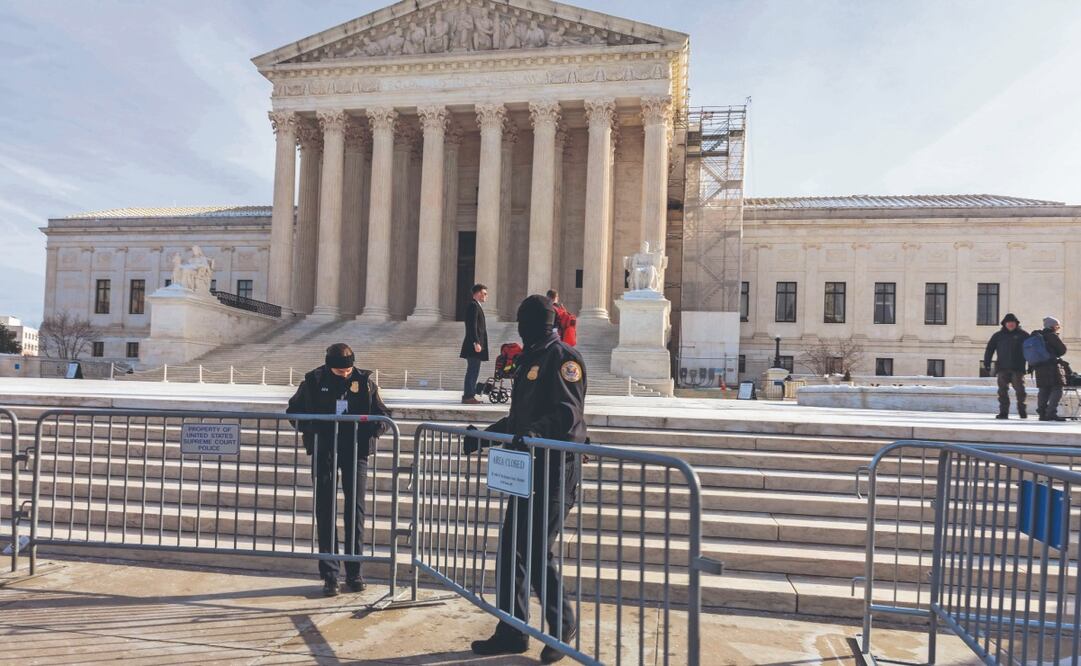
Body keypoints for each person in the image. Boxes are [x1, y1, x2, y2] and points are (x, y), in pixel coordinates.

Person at [465, 295, 586, 663]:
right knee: (511, 552)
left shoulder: (564, 358)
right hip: (525, 470)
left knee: (535, 552)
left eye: (526, 320)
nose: (521, 326)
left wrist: (534, 433)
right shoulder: (530, 358)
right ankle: (511, 629)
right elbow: (519, 419)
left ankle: (562, 624)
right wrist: (484, 436)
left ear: (543, 322)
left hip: (554, 470)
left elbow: (567, 414)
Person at [287, 343, 390, 596]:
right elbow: (293, 412)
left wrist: (371, 430)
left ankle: (354, 573)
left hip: (355, 452)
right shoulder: (313, 380)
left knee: (355, 511)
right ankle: (330, 575)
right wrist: (316, 427)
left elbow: (383, 414)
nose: (344, 373)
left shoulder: (365, 382)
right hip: (325, 451)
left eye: (347, 369)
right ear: (328, 365)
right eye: (339, 370)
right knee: (326, 510)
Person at [983, 313, 1029, 419]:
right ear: (1004, 324)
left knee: (1020, 391)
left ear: (1016, 324)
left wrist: (1031, 364)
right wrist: (987, 362)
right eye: (1008, 323)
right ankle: (1003, 412)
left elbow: (1030, 350)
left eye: (1012, 323)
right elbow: (990, 349)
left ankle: (1022, 411)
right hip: (1002, 368)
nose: (1010, 325)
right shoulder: (998, 336)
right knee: (1002, 391)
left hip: (1018, 368)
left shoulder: (1023, 335)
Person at [1031, 316, 1069, 421]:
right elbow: (1062, 350)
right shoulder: (1051, 335)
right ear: (1052, 326)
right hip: (1051, 366)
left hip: (1039, 367)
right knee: (1057, 388)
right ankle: (1051, 413)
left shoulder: (1037, 336)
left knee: (1043, 389)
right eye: (1057, 326)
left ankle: (1042, 414)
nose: (1058, 328)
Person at [460, 283, 489, 404]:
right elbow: (471, 326)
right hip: (473, 346)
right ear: (477, 293)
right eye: (484, 293)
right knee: (472, 371)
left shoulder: (477, 306)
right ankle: (468, 396)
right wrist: (476, 342)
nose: (486, 296)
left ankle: (470, 394)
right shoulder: (473, 306)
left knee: (474, 370)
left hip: (476, 345)